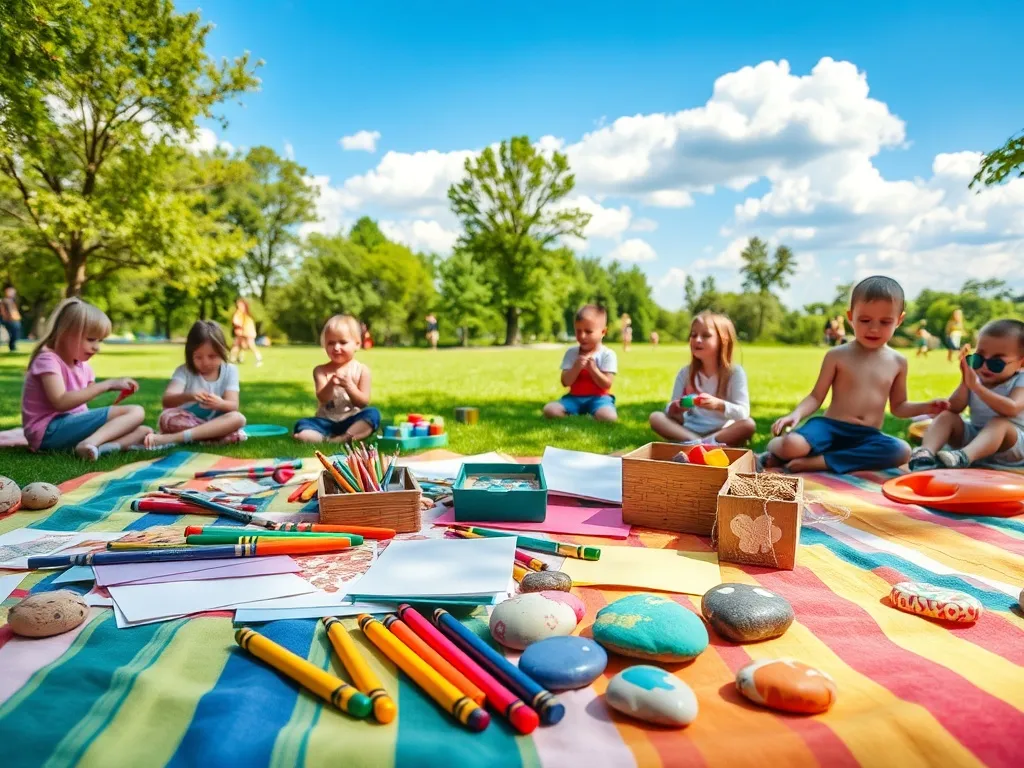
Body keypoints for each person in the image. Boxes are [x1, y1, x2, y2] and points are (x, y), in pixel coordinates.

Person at [763, 276, 948, 473]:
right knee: (793, 445)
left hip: (866, 436)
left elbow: (898, 406)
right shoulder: (837, 355)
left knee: (901, 451)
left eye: (885, 322)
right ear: (851, 317)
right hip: (829, 428)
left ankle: (821, 461)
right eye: (865, 320)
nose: (874, 328)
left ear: (899, 320)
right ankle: (773, 450)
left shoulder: (898, 362)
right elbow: (816, 396)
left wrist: (926, 407)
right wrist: (795, 414)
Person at [21, 298, 149, 460]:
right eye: (91, 339)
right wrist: (107, 385)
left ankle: (100, 449)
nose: (97, 347)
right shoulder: (48, 360)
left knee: (144, 431)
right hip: (48, 432)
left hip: (68, 428)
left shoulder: (83, 366)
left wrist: (116, 392)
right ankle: (90, 443)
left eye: (100, 340)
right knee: (135, 411)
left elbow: (86, 402)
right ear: (66, 334)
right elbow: (60, 402)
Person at [910, 319, 1024, 470]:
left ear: (1021, 363)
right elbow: (955, 408)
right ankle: (925, 454)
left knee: (999, 423)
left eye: (997, 362)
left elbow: (1012, 408)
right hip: (975, 438)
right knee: (946, 416)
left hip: (1011, 447)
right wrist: (965, 382)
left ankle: (963, 457)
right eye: (978, 358)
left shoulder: (1020, 380)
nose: (984, 366)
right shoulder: (974, 378)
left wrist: (976, 387)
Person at [649, 312, 756, 446]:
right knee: (656, 417)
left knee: (748, 425)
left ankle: (700, 443)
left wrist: (718, 405)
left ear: (723, 340)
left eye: (706, 335)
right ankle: (698, 443)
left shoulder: (734, 373)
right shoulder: (685, 373)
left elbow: (743, 413)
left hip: (721, 431)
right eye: (693, 335)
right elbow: (671, 410)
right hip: (689, 429)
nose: (697, 340)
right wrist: (675, 407)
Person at [144, 321, 247, 448]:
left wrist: (219, 403)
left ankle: (174, 438)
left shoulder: (230, 371)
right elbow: (167, 401)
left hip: (215, 422)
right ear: (190, 355)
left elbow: (233, 405)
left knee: (238, 419)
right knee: (168, 418)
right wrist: (189, 396)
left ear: (222, 351)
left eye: (212, 356)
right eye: (198, 357)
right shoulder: (184, 371)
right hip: (187, 421)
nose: (205, 362)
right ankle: (211, 437)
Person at [293, 314, 381, 443]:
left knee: (373, 415)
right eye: (331, 343)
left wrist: (349, 386)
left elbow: (362, 402)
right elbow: (323, 398)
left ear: (357, 344)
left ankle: (346, 437)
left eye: (343, 342)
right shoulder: (320, 371)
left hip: (352, 419)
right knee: (301, 424)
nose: (336, 347)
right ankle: (326, 439)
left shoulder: (362, 370)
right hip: (325, 422)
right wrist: (331, 384)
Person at [542, 305, 618, 422]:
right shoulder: (572, 353)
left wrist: (593, 370)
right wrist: (576, 367)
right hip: (574, 398)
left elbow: (606, 384)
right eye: (578, 331)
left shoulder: (607, 354)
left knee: (609, 417)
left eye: (588, 332)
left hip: (599, 398)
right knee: (550, 410)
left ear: (603, 332)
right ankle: (577, 416)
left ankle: (592, 414)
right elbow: (565, 382)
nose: (582, 336)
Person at [229, 298, 262, 367]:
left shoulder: (244, 315)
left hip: (247, 332)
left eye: (241, 305)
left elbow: (237, 322)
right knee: (237, 346)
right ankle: (233, 360)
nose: (239, 306)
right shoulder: (240, 313)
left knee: (250, 345)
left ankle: (258, 359)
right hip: (242, 333)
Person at [1, 284, 21, 352]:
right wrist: (6, 318)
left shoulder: (12, 300)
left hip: (15, 319)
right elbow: (3, 311)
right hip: (9, 320)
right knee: (13, 333)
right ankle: (12, 346)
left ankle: (13, 346)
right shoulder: (4, 300)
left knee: (15, 332)